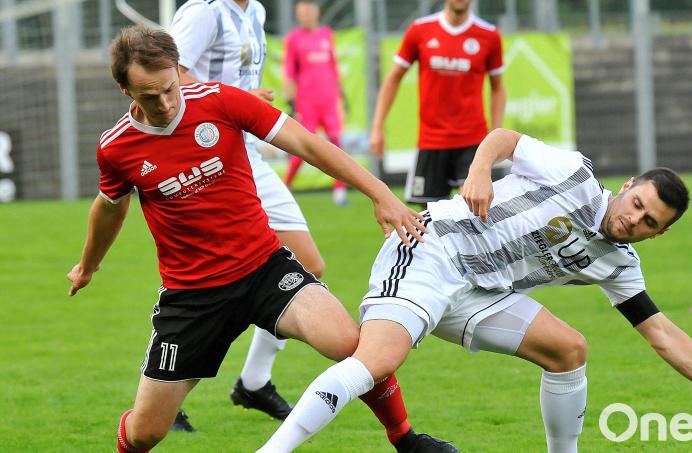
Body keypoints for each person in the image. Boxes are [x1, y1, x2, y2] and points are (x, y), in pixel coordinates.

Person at [258, 128, 692, 453]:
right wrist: (480, 170)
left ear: (659, 234)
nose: (634, 219)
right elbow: (505, 137)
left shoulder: (618, 263)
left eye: (650, 222)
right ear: (627, 188)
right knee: (376, 361)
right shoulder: (575, 175)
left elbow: (664, 334)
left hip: (481, 292)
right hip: (432, 251)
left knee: (569, 350)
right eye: (637, 204)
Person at [66, 25, 456, 453]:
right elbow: (110, 207)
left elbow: (307, 144)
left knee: (348, 343)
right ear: (125, 90)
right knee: (146, 433)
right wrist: (88, 266)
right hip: (192, 297)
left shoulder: (220, 101)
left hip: (263, 269)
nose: (164, 104)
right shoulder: (116, 147)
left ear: (179, 70)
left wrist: (380, 193)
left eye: (169, 89)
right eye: (149, 97)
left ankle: (406, 439)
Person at [169, 0, 316, 429]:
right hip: (212, 154)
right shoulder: (205, 12)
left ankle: (253, 382)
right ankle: (167, 392)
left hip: (247, 150)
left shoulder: (256, 12)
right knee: (215, 280)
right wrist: (235, 99)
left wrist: (247, 102)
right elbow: (168, 75)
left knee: (307, 263)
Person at [369, 0, 506, 208]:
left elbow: (497, 88)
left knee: (475, 212)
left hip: (471, 142)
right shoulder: (420, 30)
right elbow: (394, 77)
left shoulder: (489, 35)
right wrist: (377, 127)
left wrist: (494, 136)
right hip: (431, 142)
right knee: (428, 218)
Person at [283, 0, 349, 206]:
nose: (305, 16)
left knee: (337, 144)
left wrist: (341, 100)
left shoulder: (327, 34)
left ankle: (340, 191)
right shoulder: (293, 39)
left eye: (308, 12)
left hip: (328, 101)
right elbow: (289, 74)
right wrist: (292, 104)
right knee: (302, 147)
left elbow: (333, 68)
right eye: (301, 13)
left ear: (316, 12)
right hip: (307, 103)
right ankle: (285, 188)